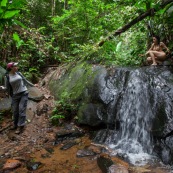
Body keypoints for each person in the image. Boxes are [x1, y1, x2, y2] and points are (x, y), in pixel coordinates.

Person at [0, 62, 37, 134]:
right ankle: (15, 124)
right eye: (15, 66)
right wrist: (2, 88)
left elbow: (25, 81)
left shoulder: (19, 74)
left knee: (21, 109)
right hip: (15, 95)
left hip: (24, 93)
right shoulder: (7, 77)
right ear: (11, 68)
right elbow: (7, 87)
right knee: (15, 111)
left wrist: (33, 85)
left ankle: (21, 126)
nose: (17, 67)